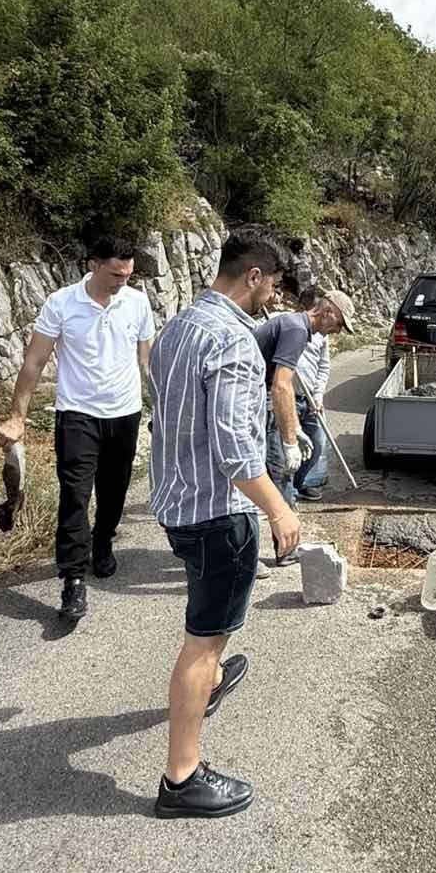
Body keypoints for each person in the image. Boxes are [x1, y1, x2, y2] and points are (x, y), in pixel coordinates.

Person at [148, 227, 301, 820]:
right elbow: (237, 451)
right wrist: (280, 509)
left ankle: (208, 682)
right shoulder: (234, 341)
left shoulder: (177, 328)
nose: (274, 297)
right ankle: (181, 778)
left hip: (178, 504)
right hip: (217, 515)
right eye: (273, 284)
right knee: (203, 641)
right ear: (253, 275)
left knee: (209, 630)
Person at [0, 236, 155, 625]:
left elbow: (147, 360)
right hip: (77, 414)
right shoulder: (61, 303)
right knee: (75, 495)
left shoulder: (137, 302)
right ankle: (72, 578)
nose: (122, 281)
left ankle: (102, 542)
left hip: (125, 413)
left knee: (114, 491)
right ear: (93, 265)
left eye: (128, 274)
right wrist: (17, 416)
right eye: (115, 274)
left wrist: (163, 408)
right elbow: (34, 362)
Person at [252, 288, 355, 555]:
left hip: (259, 402)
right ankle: (285, 550)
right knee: (281, 473)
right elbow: (281, 387)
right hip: (256, 404)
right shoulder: (297, 329)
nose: (338, 331)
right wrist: (289, 442)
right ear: (328, 311)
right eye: (339, 324)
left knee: (272, 475)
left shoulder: (295, 326)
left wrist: (296, 428)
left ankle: (270, 545)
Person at [292, 286, 331, 501]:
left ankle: (299, 483)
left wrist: (318, 396)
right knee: (285, 448)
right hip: (286, 399)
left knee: (317, 443)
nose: (321, 314)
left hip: (309, 401)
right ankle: (286, 493)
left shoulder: (322, 335)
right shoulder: (288, 325)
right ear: (302, 307)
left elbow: (323, 367)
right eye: (316, 308)